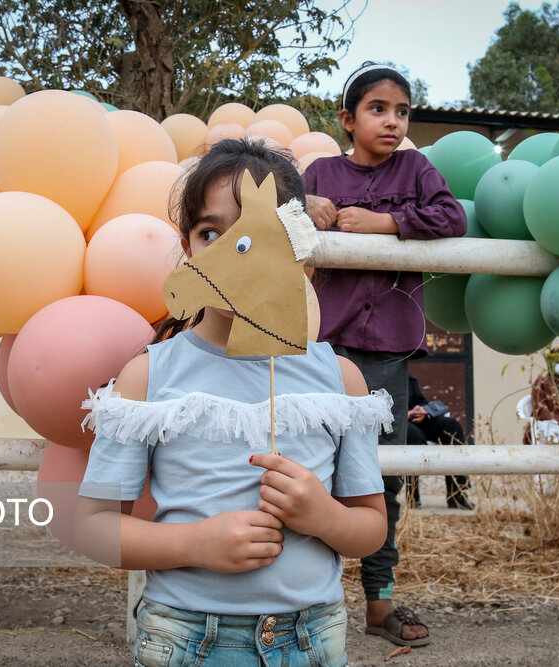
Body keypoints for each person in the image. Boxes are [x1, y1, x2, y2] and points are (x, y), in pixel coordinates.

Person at [74, 138, 390, 666]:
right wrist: (196, 543)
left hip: (312, 636)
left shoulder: (340, 380)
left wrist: (322, 515)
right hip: (184, 637)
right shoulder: (146, 378)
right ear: (188, 245)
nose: (226, 249)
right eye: (210, 233)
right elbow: (94, 525)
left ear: (296, 244)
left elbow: (370, 528)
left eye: (252, 233)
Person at [303, 61, 468, 647]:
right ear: (348, 120)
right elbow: (275, 223)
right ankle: (307, 599)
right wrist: (310, 210)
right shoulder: (319, 171)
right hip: (323, 345)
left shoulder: (417, 170)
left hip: (389, 351)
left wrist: (383, 223)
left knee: (381, 475)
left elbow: (453, 217)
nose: (392, 122)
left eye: (402, 112)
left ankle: (379, 603)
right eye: (378, 109)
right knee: (311, 469)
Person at [405, 374, 473, 510]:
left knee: (452, 427)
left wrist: (423, 410)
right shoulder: (377, 376)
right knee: (413, 436)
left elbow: (421, 401)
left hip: (419, 421)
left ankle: (456, 493)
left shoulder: (408, 379)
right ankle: (413, 495)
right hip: (398, 423)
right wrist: (404, 415)